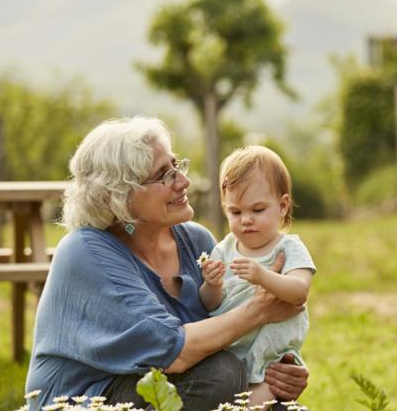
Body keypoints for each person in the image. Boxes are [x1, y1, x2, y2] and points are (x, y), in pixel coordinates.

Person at [25, 117, 309, 411]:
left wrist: (280, 368)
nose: (183, 181)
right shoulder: (85, 252)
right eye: (164, 175)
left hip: (172, 384)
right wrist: (260, 310)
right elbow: (175, 352)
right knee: (220, 374)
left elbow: (228, 328)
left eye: (176, 166)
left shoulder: (196, 241)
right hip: (90, 399)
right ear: (120, 196)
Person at [201, 145, 316, 407]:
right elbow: (210, 304)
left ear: (282, 206)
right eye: (236, 212)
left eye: (257, 210)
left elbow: (299, 292)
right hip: (229, 351)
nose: (246, 220)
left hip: (271, 359)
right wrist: (212, 284)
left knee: (247, 406)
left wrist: (263, 276)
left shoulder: (288, 248)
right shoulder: (224, 248)